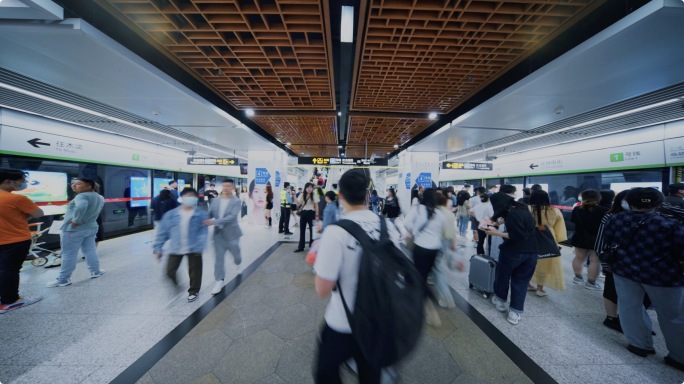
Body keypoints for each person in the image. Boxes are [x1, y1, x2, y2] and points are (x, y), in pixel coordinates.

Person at [313, 169, 401, 383]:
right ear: (367, 194)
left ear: (340, 196)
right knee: (371, 375)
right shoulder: (388, 227)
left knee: (325, 372)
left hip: (343, 321)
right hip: (377, 321)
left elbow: (322, 289)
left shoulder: (336, 232)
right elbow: (397, 276)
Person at [600, 188, 684, 371]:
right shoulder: (670, 225)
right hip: (664, 276)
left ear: (629, 202)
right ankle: (679, 356)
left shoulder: (616, 220)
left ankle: (639, 344)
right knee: (673, 315)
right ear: (657, 203)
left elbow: (608, 241)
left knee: (630, 307)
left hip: (625, 270)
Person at [483, 189, 538, 325]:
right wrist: (497, 223)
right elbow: (514, 222)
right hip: (532, 252)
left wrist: (495, 233)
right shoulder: (521, 208)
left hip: (513, 252)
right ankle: (515, 312)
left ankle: (500, 302)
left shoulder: (512, 214)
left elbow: (516, 235)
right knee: (521, 282)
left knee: (503, 275)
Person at [47, 178, 105, 288]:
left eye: (78, 184)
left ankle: (63, 280)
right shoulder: (100, 197)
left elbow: (82, 206)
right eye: (73, 184)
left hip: (74, 229)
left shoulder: (81, 196)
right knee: (90, 250)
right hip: (91, 227)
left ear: (89, 186)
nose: (74, 185)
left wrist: (76, 219)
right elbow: (92, 210)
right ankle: (96, 271)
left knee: (68, 254)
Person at [153, 187, 209, 302]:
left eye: (192, 196)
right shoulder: (170, 215)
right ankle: (178, 287)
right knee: (169, 271)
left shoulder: (201, 214)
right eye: (187, 196)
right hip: (176, 247)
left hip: (194, 247)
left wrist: (200, 246)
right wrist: (158, 248)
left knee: (195, 271)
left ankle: (194, 291)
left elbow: (203, 232)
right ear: (182, 198)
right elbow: (162, 233)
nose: (190, 199)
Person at [0, 169, 44, 313]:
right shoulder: (17, 199)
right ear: (8, 181)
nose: (22, 184)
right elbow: (38, 213)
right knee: (10, 270)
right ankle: (10, 301)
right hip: (15, 239)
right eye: (20, 181)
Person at [405, 188, 445, 327]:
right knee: (424, 276)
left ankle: (429, 307)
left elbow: (406, 224)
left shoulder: (417, 209)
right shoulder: (439, 213)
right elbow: (441, 231)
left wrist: (414, 230)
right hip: (434, 250)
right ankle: (422, 299)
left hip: (421, 248)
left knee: (418, 279)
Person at [205, 179, 243, 295]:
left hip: (232, 234)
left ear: (232, 188)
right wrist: (202, 217)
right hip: (218, 235)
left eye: (228, 186)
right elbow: (210, 213)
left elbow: (231, 217)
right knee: (219, 259)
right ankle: (219, 280)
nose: (226, 188)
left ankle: (238, 263)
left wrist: (214, 222)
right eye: (224, 186)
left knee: (236, 255)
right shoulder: (215, 201)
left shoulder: (236, 201)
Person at [527, 190, 567, 296]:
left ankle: (527, 283)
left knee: (529, 260)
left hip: (530, 236)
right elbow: (560, 227)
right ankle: (540, 289)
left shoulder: (528, 209)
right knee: (544, 262)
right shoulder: (554, 210)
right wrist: (558, 239)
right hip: (548, 237)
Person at [570, 189, 608, 290]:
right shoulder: (604, 210)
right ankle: (591, 283)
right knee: (595, 261)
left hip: (580, 237)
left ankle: (578, 278)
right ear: (599, 198)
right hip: (597, 239)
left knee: (579, 258)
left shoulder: (577, 209)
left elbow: (573, 221)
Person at [433, 191, 461, 308]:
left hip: (436, 242)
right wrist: (454, 244)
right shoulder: (449, 214)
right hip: (446, 242)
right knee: (436, 265)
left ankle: (446, 297)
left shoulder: (435, 213)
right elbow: (453, 231)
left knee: (437, 269)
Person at [294, 182, 319, 253]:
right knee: (302, 230)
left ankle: (312, 247)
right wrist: (294, 197)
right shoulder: (302, 194)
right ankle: (301, 247)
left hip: (311, 213)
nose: (309, 189)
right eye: (308, 187)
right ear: (305, 188)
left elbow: (316, 206)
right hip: (304, 213)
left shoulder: (314, 195)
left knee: (312, 231)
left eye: (311, 187)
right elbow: (298, 204)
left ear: (312, 188)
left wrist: (317, 215)